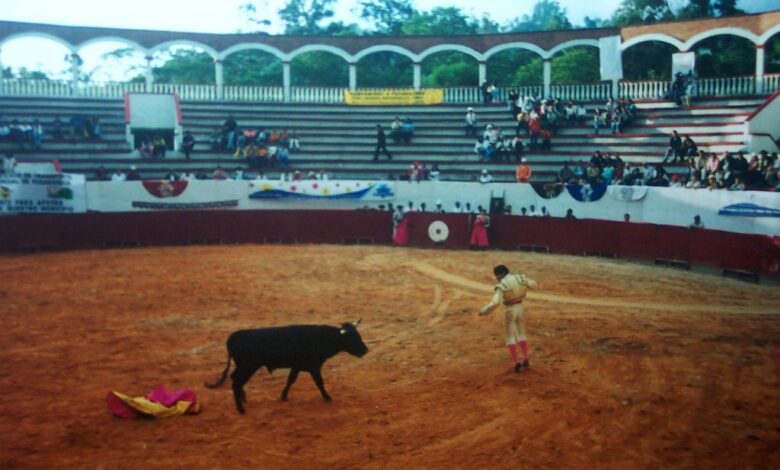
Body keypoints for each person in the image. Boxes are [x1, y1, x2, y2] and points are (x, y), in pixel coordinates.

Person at [478, 264, 538, 373]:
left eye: (497, 276)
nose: (496, 278)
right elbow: (534, 285)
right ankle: (525, 358)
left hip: (510, 310)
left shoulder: (502, 285)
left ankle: (516, 363)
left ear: (501, 274)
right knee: (521, 333)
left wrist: (484, 311)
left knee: (510, 336)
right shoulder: (520, 278)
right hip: (520, 307)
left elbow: (495, 303)